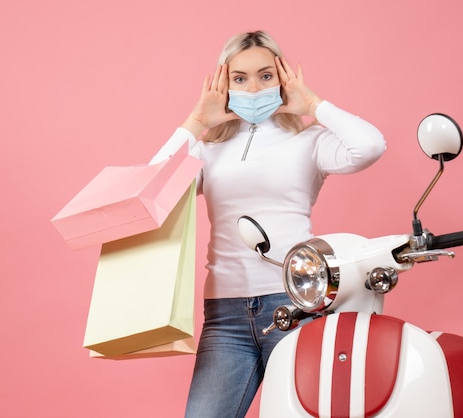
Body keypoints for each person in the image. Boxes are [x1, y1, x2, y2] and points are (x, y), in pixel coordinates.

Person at [150, 30, 386, 417]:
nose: (253, 88)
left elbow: (370, 145)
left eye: (265, 75)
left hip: (295, 303)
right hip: (224, 315)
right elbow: (155, 188)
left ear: (282, 78)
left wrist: (312, 103)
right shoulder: (207, 149)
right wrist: (195, 121)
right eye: (239, 78)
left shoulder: (308, 140)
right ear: (223, 84)